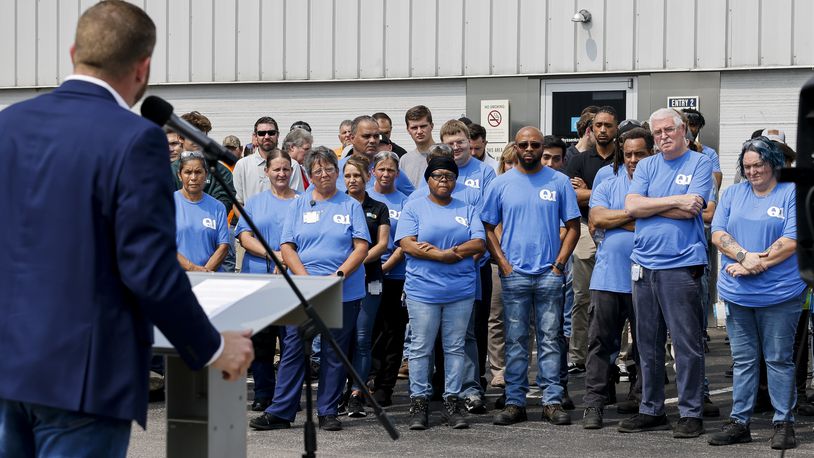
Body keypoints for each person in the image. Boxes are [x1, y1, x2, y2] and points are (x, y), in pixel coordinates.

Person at [0, 2, 253, 455]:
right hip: (83, 378)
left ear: (75, 50)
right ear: (144, 68)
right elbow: (148, 269)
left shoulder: (8, 125)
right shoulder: (134, 139)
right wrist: (212, 349)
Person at [250, 146, 370, 432]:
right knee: (293, 350)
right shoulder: (298, 205)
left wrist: (338, 275)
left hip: (343, 290)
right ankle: (281, 411)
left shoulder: (350, 205)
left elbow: (361, 246)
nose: (323, 174)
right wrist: (306, 280)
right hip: (304, 290)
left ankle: (328, 411)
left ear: (336, 172)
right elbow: (287, 247)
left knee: (334, 351)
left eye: (329, 169)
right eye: (317, 170)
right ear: (308, 175)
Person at [619, 108, 712, 438]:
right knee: (647, 343)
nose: (662, 137)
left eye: (668, 131)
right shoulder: (645, 165)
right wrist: (673, 202)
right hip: (643, 264)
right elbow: (631, 207)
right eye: (656, 133)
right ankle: (651, 409)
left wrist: (651, 203)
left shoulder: (701, 163)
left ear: (682, 130)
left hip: (681, 264)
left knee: (686, 344)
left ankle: (690, 412)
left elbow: (694, 210)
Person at [707, 137, 805, 450]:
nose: (752, 171)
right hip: (737, 294)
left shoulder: (792, 192)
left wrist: (753, 263)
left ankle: (783, 422)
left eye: (758, 165)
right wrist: (742, 256)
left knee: (778, 359)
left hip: (780, 294)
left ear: (774, 163)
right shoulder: (734, 193)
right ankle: (740, 421)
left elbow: (792, 239)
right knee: (744, 360)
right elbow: (718, 234)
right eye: (747, 166)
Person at [484, 127, 581, 427]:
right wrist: (503, 264)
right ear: (515, 147)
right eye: (523, 144)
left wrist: (559, 265)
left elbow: (574, 226)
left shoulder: (559, 181)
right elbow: (487, 227)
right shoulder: (501, 183)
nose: (529, 149)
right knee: (515, 341)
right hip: (515, 276)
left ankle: (552, 401)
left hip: (549, 275)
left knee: (551, 340)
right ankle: (515, 401)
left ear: (542, 147)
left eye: (534, 145)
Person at [396, 156, 486, 430]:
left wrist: (452, 253)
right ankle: (419, 403)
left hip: (459, 289)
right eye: (437, 176)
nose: (443, 181)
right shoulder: (414, 207)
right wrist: (442, 255)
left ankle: (452, 402)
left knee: (455, 348)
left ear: (455, 180)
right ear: (428, 180)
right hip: (423, 290)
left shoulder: (468, 208)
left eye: (448, 176)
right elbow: (407, 244)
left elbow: (479, 242)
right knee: (420, 347)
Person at [581, 127, 653, 429]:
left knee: (647, 345)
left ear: (652, 153)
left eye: (640, 153)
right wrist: (636, 215)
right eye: (628, 153)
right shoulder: (607, 181)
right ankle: (594, 404)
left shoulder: (658, 184)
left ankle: (642, 400)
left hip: (647, 278)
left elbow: (656, 225)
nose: (633, 159)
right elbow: (596, 219)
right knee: (600, 343)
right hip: (608, 276)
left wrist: (616, 219)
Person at [235, 149, 300, 411]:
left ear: (292, 171)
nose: (281, 174)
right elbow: (244, 236)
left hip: (291, 281)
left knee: (290, 343)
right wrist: (273, 254)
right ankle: (264, 393)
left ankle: (287, 398)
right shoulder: (254, 202)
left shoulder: (303, 201)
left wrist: (286, 259)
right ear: (267, 172)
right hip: (258, 278)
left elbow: (306, 237)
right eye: (276, 169)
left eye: (286, 169)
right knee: (260, 342)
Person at [565, 105, 618, 376]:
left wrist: (589, 190)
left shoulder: (624, 160)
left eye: (608, 125)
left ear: (616, 128)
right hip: (586, 227)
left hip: (619, 229)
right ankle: (577, 354)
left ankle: (622, 357)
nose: (603, 130)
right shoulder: (579, 160)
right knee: (583, 296)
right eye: (598, 125)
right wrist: (598, 193)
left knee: (621, 296)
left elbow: (627, 198)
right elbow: (570, 197)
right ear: (591, 129)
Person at [342, 155, 391, 418]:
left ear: (367, 177)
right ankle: (337, 390)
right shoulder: (336, 205)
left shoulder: (378, 207)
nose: (352, 180)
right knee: (341, 338)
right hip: (340, 280)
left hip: (370, 278)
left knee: (362, 338)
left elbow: (382, 244)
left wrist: (357, 261)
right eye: (348, 175)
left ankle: (356, 395)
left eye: (357, 176)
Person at [368, 151, 410, 407]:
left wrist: (385, 267)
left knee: (394, 333)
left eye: (390, 170)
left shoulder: (405, 202)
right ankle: (367, 380)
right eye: (381, 169)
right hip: (365, 275)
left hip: (395, 275)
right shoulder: (363, 198)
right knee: (369, 332)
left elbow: (404, 242)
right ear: (373, 171)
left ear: (397, 173)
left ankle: (386, 386)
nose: (385, 174)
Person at [174, 152, 231, 272]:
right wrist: (192, 268)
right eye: (188, 172)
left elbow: (223, 246)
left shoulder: (217, 207)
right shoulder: (168, 204)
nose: (193, 178)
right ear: (180, 175)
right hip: (178, 277)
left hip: (209, 277)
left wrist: (205, 272)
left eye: (198, 172)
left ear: (206, 175)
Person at [399, 105, 437, 187]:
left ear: (432, 126)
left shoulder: (444, 154)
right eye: (414, 128)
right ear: (408, 130)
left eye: (423, 126)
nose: (419, 131)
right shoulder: (404, 160)